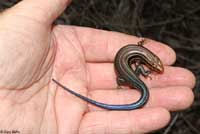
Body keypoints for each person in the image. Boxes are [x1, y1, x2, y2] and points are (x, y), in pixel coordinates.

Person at [0, 0, 195, 134]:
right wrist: (138, 74)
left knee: (132, 79)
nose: (156, 67)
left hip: (125, 74)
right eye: (155, 65)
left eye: (155, 65)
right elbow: (138, 60)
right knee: (135, 81)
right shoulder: (139, 60)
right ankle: (130, 86)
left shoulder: (139, 52)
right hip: (126, 75)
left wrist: (130, 75)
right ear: (149, 61)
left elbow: (138, 53)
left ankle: (127, 85)